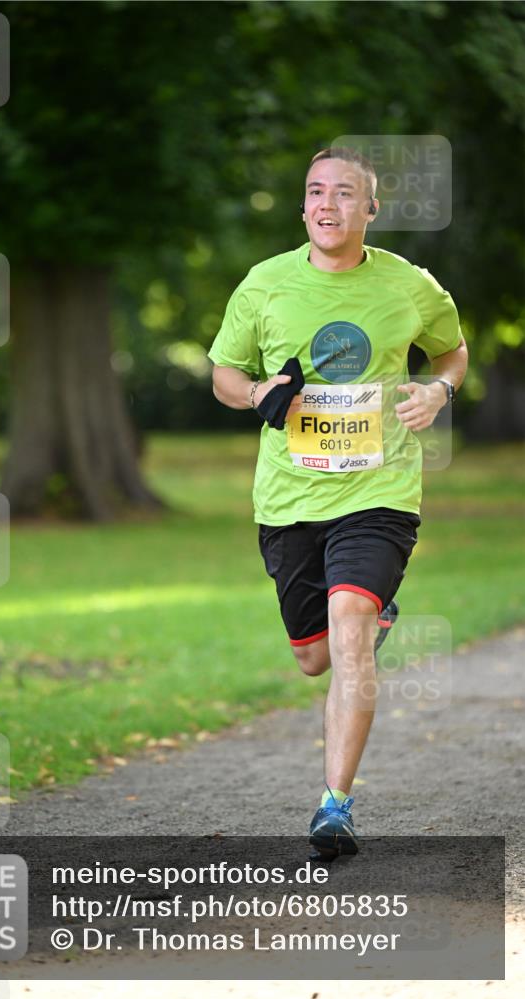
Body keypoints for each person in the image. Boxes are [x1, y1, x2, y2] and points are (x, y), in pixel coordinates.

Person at [208, 147, 468, 859]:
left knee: (348, 627)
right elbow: (223, 376)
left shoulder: (409, 286)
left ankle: (334, 806)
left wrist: (436, 391)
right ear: (302, 208)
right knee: (315, 658)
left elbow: (451, 352)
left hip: (378, 490)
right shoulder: (264, 286)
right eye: (315, 192)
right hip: (288, 498)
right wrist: (259, 392)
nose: (328, 205)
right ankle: (367, 613)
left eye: (345, 194)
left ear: (369, 211)